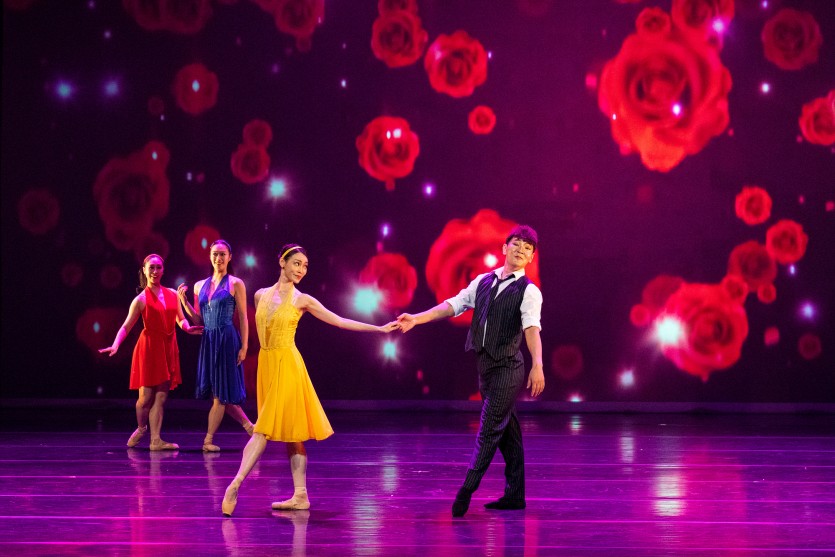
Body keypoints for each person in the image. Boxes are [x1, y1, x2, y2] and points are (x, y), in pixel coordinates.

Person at [221, 244, 400, 516]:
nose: (301, 270)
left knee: (262, 430)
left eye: (305, 266)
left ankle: (235, 484)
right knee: (292, 434)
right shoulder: (260, 295)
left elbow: (339, 321)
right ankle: (300, 495)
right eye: (297, 263)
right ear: (282, 262)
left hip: (289, 367)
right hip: (267, 366)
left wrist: (378, 329)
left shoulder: (302, 300)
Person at [397, 225, 545, 517]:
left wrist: (537, 364)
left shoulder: (529, 291)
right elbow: (454, 305)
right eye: (516, 244)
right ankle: (515, 495)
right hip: (486, 367)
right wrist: (416, 318)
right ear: (504, 248)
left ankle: (466, 490)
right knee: (508, 433)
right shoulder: (483, 281)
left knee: (489, 429)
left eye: (527, 248)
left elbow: (531, 329)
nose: (520, 250)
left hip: (508, 368)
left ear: (531, 258)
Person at [100, 254, 203, 450]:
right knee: (145, 398)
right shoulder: (140, 299)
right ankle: (141, 428)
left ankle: (156, 440)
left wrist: (187, 328)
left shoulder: (172, 293)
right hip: (149, 348)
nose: (155, 271)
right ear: (144, 271)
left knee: (161, 396)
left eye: (158, 267)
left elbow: (180, 318)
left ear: (163, 270)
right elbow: (126, 326)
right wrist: (115, 345)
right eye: (151, 268)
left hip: (168, 346)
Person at [177, 240, 255, 452]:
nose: (218, 258)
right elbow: (198, 320)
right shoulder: (199, 286)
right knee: (220, 392)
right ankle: (251, 428)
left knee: (220, 395)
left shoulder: (236, 283)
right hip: (209, 341)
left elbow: (244, 317)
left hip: (227, 339)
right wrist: (184, 303)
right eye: (215, 254)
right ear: (210, 256)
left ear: (229, 257)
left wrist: (244, 346)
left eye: (222, 254)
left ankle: (208, 440)